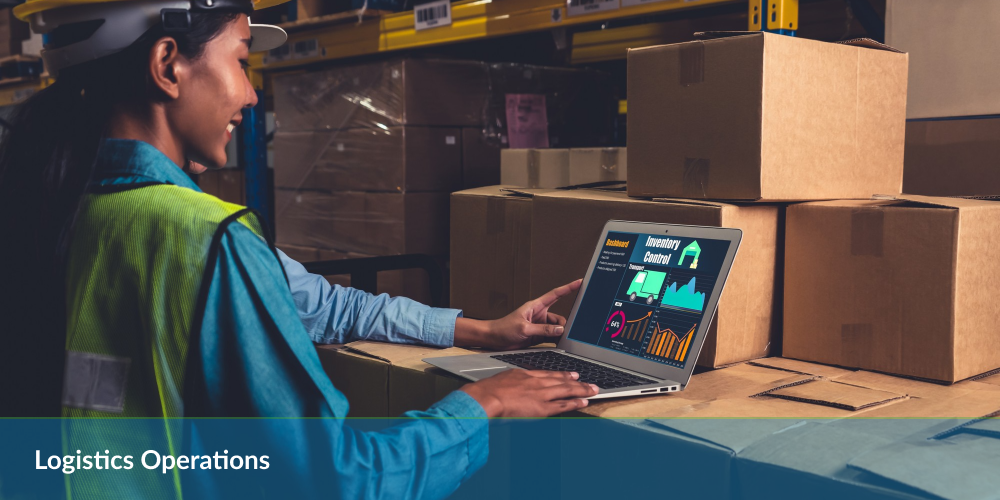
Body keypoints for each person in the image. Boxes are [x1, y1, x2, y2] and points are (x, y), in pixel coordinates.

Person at [0, 0, 597, 497]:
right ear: (167, 65)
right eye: (241, 60)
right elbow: (333, 479)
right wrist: (481, 406)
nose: (252, 95)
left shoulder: (49, 207)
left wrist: (486, 332)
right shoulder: (206, 237)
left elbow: (322, 304)